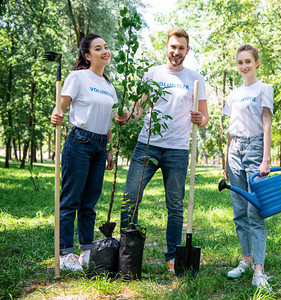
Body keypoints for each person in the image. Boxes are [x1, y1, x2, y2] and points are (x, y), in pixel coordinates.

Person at [115, 28, 208, 272]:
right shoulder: (152, 73)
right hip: (147, 145)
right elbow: (138, 110)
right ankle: (128, 255)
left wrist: (200, 118)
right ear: (166, 47)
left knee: (175, 206)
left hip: (177, 150)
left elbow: (204, 117)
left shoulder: (196, 79)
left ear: (187, 50)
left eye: (181, 48)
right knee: (129, 198)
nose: (176, 52)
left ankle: (171, 257)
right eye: (173, 47)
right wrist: (125, 116)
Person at [50, 33, 116, 272]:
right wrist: (55, 115)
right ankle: (65, 253)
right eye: (98, 48)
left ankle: (87, 250)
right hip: (79, 142)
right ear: (88, 55)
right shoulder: (78, 77)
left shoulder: (109, 86)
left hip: (99, 146)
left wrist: (108, 149)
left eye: (106, 47)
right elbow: (60, 108)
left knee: (89, 203)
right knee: (70, 200)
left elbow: (108, 119)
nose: (105, 51)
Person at [222, 44, 273, 292]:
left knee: (255, 212)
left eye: (248, 62)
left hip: (255, 149)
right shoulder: (233, 94)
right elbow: (231, 129)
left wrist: (266, 158)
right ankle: (246, 260)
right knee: (239, 211)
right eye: (240, 62)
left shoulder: (264, 89)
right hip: (234, 151)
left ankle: (259, 271)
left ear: (257, 63)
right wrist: (225, 159)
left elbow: (266, 122)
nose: (244, 66)